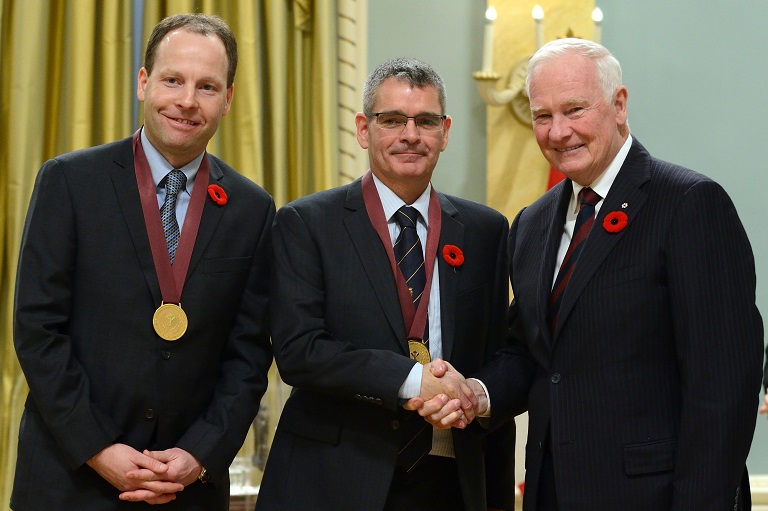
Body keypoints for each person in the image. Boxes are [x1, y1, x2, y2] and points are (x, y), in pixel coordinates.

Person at [415, 38, 764, 510]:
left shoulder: (688, 204)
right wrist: (477, 394)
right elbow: (532, 351)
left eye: (575, 109)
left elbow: (724, 385)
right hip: (552, 492)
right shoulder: (532, 223)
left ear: (619, 105)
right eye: (543, 115)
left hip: (657, 497)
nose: (559, 132)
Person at [11, 13, 274, 510]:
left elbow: (248, 357)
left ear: (229, 99)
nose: (187, 101)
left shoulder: (253, 210)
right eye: (173, 79)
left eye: (208, 86)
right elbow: (38, 329)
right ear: (143, 82)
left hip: (185, 488)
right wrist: (98, 448)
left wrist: (199, 454)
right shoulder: (69, 183)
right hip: (70, 480)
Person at [255, 58, 516, 511]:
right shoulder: (307, 223)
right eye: (392, 120)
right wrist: (415, 381)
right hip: (336, 479)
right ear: (363, 129)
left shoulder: (485, 230)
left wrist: (470, 394)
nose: (410, 134)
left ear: (446, 132)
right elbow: (299, 351)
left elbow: (500, 351)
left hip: (453, 477)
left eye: (426, 121)